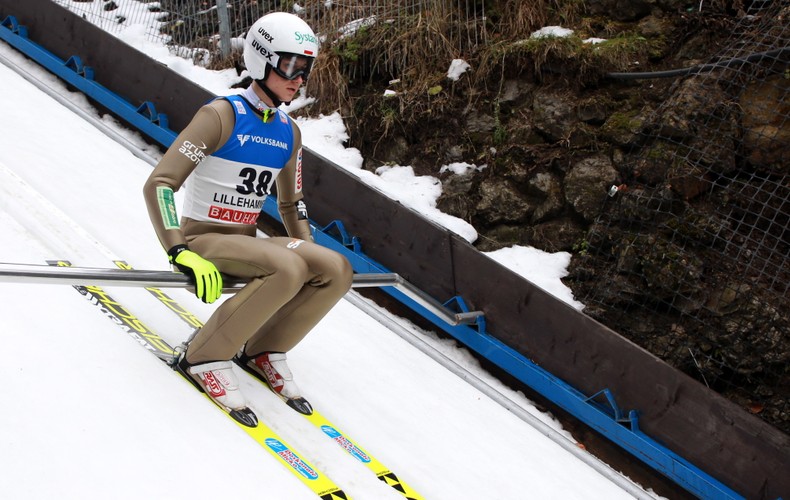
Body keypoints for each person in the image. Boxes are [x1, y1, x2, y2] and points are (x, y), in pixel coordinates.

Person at [143, 12, 352, 424]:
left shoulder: (288, 131)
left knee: (335, 268)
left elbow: (292, 204)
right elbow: (161, 183)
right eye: (290, 66)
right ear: (262, 60)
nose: (298, 79)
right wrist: (179, 250)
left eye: (305, 69)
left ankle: (263, 349)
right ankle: (202, 356)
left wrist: (309, 251)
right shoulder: (221, 115)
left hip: (247, 241)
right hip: (204, 238)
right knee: (287, 266)